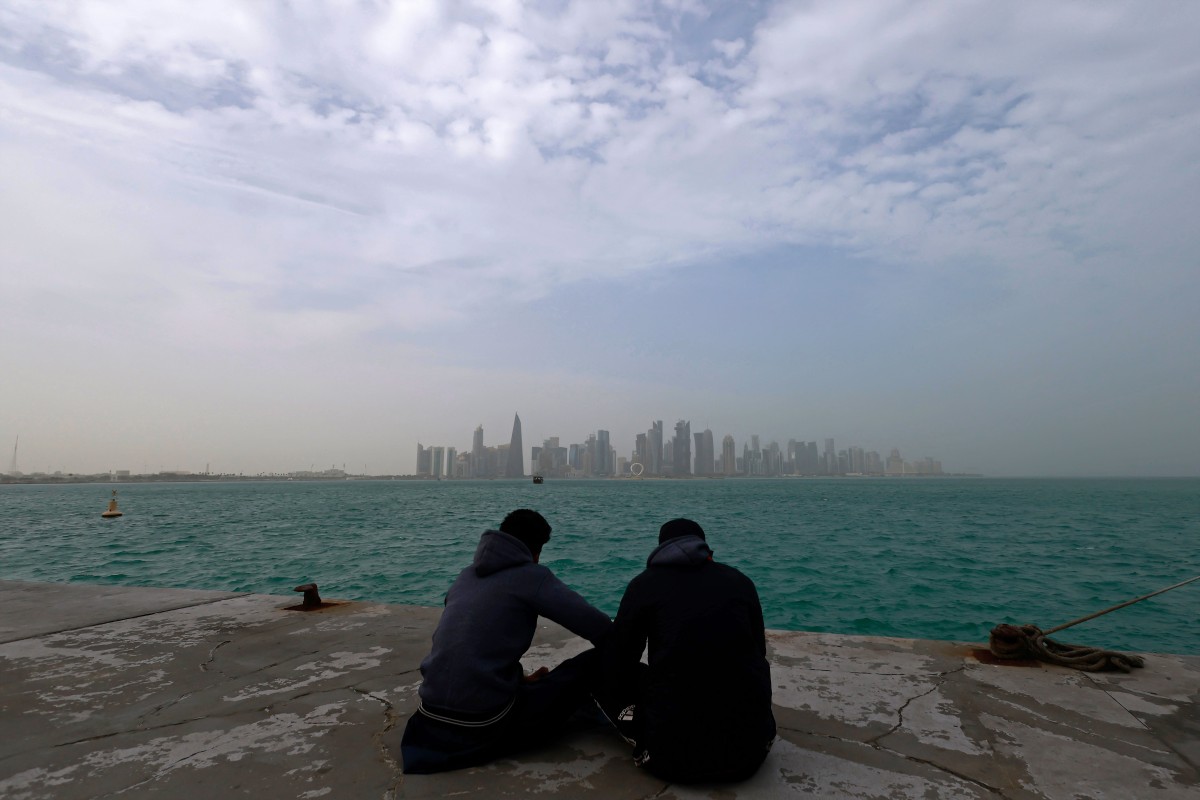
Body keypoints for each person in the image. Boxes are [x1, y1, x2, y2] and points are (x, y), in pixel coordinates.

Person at [400, 508, 613, 774]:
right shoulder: (532, 576)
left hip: (430, 718)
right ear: (535, 551)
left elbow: (471, 642)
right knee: (592, 663)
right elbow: (601, 629)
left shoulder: (466, 575)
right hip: (482, 724)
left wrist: (517, 681)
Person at [600, 518, 776, 783]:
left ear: (660, 550)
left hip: (670, 760)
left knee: (601, 672)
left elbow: (621, 662)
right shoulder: (740, 581)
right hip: (751, 753)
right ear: (705, 548)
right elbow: (758, 651)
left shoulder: (644, 585)